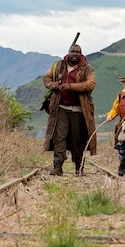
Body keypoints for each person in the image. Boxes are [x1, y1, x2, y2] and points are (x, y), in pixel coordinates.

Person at [42, 43, 97, 175]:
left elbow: (91, 84)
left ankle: (79, 167)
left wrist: (71, 86)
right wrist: (54, 85)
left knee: (77, 139)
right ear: (68, 52)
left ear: (81, 54)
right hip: (60, 108)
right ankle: (57, 167)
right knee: (59, 138)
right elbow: (46, 78)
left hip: (79, 109)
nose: (75, 54)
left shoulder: (87, 68)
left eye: (78, 52)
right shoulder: (58, 65)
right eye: (73, 51)